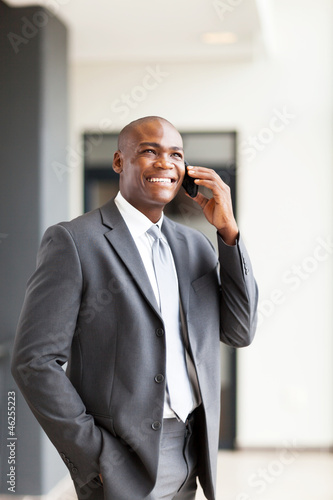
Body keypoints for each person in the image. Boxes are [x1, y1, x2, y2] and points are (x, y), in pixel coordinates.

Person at [11, 116, 258, 500]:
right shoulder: (75, 242)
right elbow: (34, 360)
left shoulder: (196, 246)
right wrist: (95, 455)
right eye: (148, 151)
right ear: (118, 162)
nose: (165, 163)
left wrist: (229, 234)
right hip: (121, 458)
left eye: (176, 154)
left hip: (192, 450)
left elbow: (239, 330)